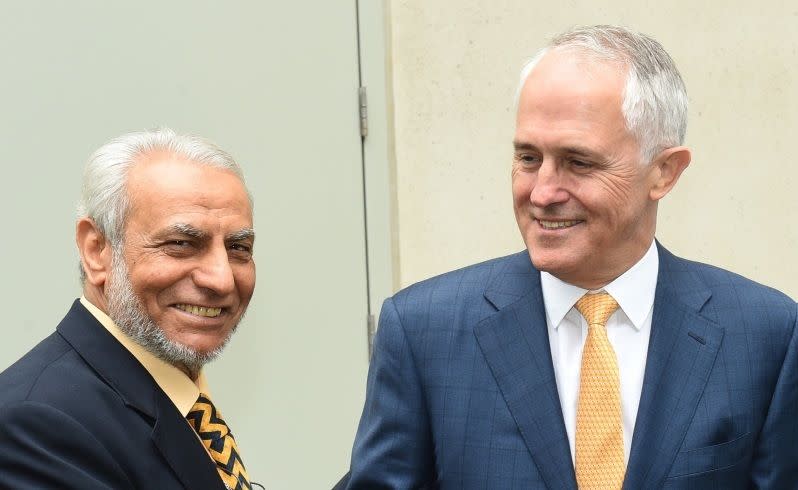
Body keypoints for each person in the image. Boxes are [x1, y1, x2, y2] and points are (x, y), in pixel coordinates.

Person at [346, 25, 797, 489]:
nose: (542, 192)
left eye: (579, 162)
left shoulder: (765, 336)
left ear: (664, 172)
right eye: (527, 158)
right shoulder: (424, 333)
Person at [0, 128, 257, 489]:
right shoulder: (34, 426)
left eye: (239, 248)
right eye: (182, 243)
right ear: (96, 251)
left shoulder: (183, 401)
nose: (222, 279)